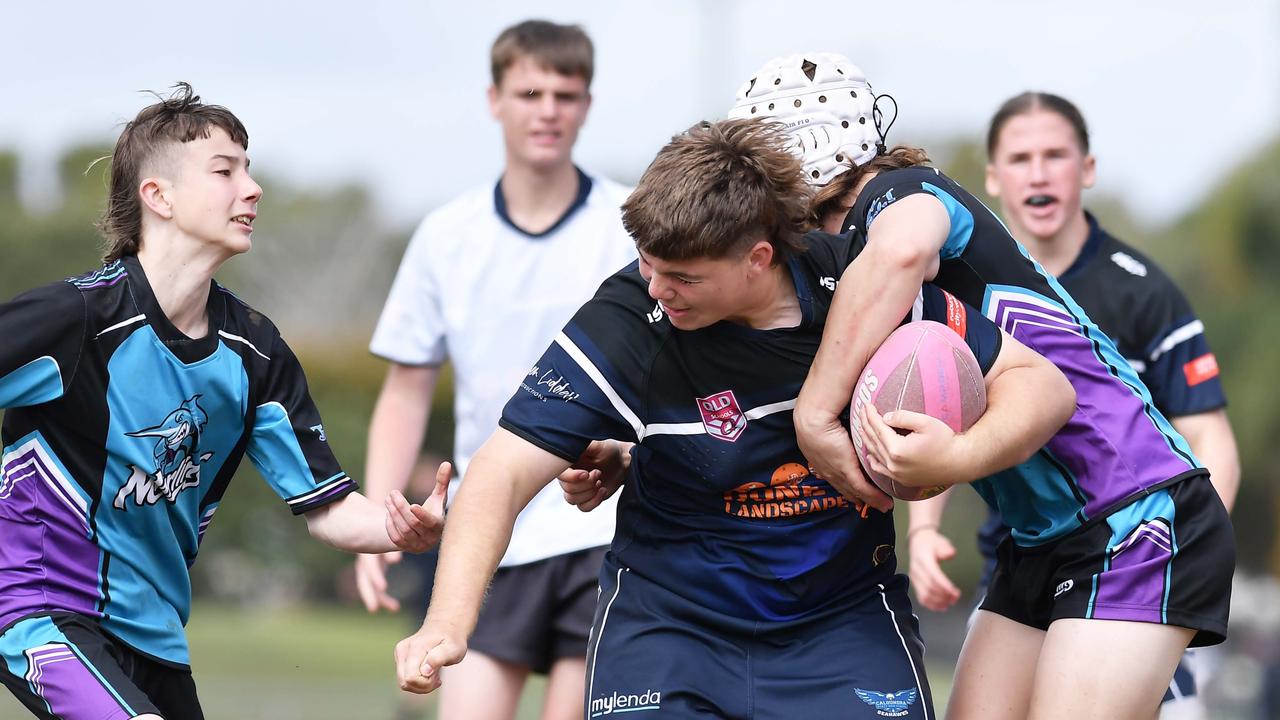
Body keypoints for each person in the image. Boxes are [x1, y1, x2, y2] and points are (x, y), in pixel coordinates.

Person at [392, 118, 1078, 718]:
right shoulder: (634, 315)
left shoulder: (862, 289)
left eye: (682, 277)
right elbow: (502, 471)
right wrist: (447, 624)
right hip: (669, 633)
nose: (658, 290)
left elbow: (1042, 386)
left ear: (759, 258)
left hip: (840, 626)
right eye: (647, 265)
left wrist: (956, 460)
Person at [736, 53, 1235, 719]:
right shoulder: (832, 267)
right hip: (1036, 538)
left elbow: (902, 252)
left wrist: (814, 416)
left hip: (1134, 512)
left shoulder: (905, 191)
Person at [0, 84, 446, 720]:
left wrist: (400, 528)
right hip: (37, 606)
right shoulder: (74, 320)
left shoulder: (254, 353)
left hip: (155, 632)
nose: (252, 187)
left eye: (250, 167)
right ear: (158, 196)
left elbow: (327, 506)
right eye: (225, 170)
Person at [905, 91, 1241, 719]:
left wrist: (1169, 573)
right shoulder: (961, 280)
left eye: (1055, 155)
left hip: (1131, 548)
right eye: (1021, 157)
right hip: (1028, 544)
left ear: (1086, 169)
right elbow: (944, 404)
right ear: (993, 178)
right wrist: (922, 531)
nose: (1038, 172)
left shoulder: (1140, 292)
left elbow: (1211, 437)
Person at [354, 19, 634, 720]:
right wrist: (376, 522)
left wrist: (624, 453)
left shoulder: (632, 224)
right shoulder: (447, 236)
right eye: (530, 91)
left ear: (587, 105)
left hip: (605, 529)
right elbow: (406, 391)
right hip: (491, 530)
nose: (548, 110)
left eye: (565, 94)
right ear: (494, 99)